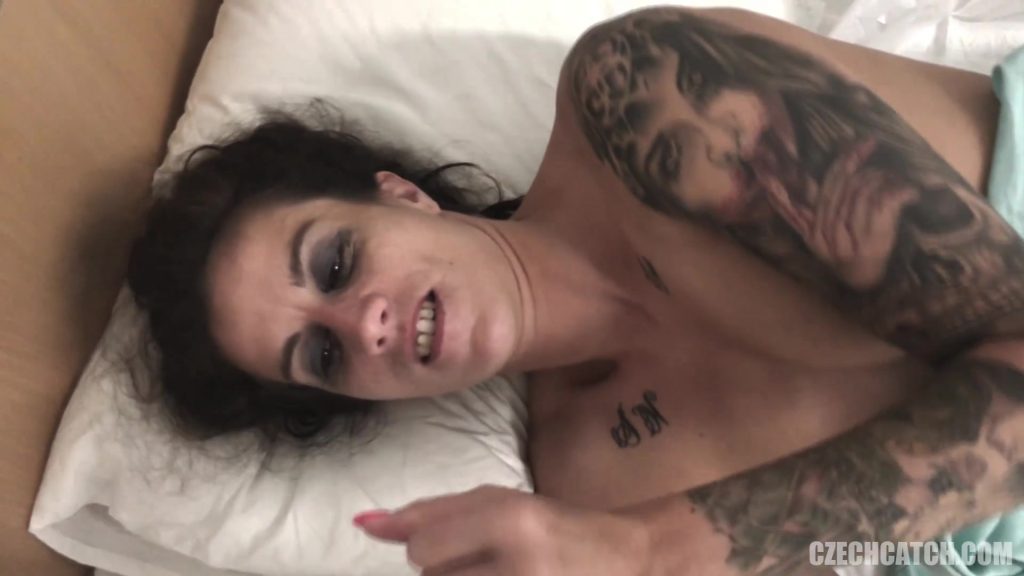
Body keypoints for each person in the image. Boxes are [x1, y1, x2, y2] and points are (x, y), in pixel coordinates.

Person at [127, 7, 1024, 575]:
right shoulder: (591, 482)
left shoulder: (641, 98)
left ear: (399, 195)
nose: (365, 325)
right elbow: (855, 546)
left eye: (334, 265)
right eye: (322, 355)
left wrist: (647, 552)